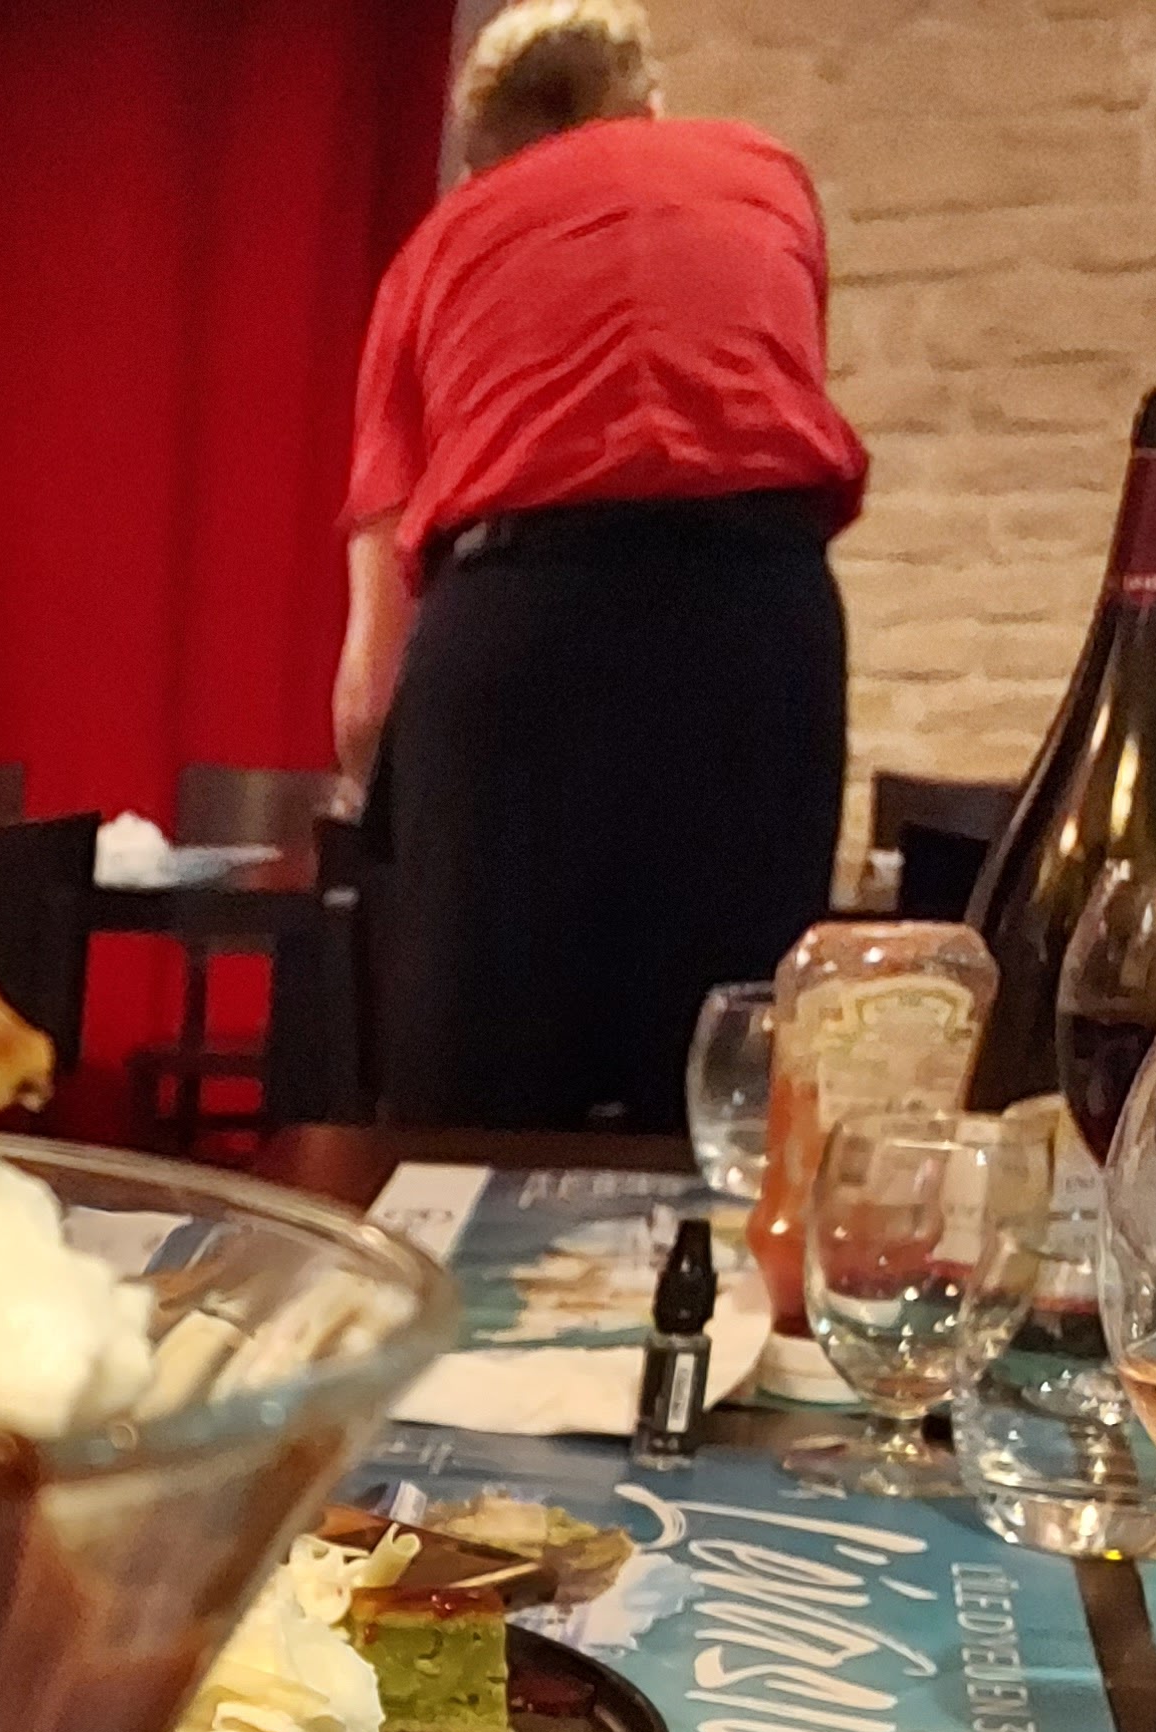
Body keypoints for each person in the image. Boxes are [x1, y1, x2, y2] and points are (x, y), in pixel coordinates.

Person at [334, 0, 865, 1130]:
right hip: (755, 621)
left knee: (469, 1120)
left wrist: (395, 813)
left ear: (483, 158)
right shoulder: (765, 179)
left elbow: (365, 694)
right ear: (649, 103)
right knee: (718, 1102)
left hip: (516, 630)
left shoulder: (441, 247)